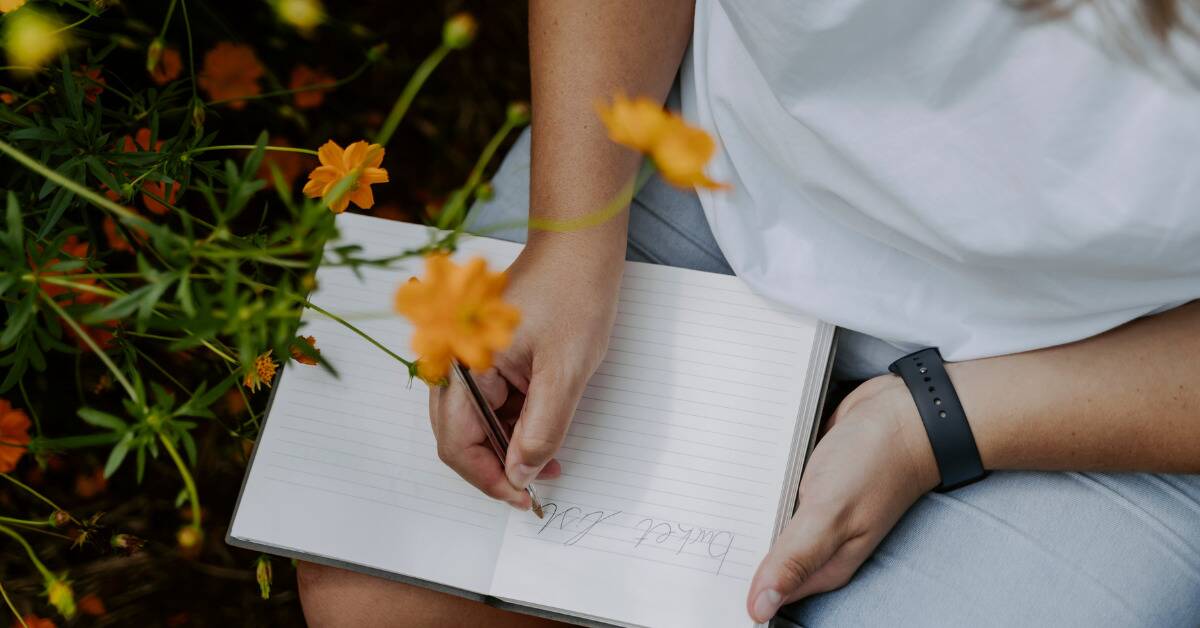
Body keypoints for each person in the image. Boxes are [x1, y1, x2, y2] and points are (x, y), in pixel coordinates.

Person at [296, 1, 1200, 625]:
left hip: (1120, 367)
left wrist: (933, 424)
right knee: (378, 590)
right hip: (711, 168)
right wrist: (574, 232)